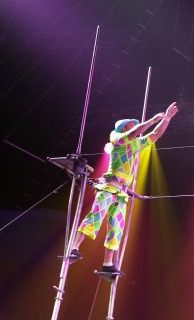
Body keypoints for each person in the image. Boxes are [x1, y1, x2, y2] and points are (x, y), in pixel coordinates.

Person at [68, 102, 179, 276]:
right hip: (108, 187)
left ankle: (107, 264)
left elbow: (155, 135)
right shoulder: (116, 138)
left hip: (121, 192)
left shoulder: (136, 144)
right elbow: (133, 133)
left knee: (116, 228)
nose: (135, 125)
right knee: (96, 216)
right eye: (131, 124)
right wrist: (151, 120)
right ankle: (74, 248)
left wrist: (167, 119)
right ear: (124, 127)